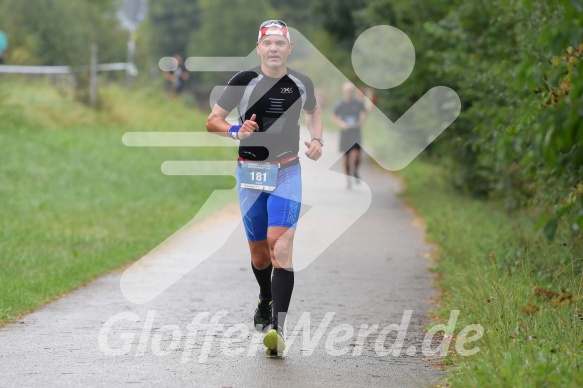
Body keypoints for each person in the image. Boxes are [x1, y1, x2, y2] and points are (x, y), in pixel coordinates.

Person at [205, 20, 323, 358]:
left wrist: (317, 139)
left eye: (279, 44)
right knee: (260, 255)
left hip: (287, 171)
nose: (273, 49)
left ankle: (277, 327)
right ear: (259, 48)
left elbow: (315, 111)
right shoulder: (243, 81)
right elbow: (212, 120)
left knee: (280, 249)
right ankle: (265, 297)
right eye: (267, 43)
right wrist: (235, 131)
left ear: (289, 49)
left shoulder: (301, 83)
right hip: (250, 175)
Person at [332, 83, 367, 189]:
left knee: (357, 156)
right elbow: (334, 117)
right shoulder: (340, 104)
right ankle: (348, 179)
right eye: (347, 91)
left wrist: (360, 122)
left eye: (351, 91)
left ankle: (355, 170)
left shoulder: (358, 103)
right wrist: (341, 124)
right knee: (346, 157)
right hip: (345, 133)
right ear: (344, 92)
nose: (349, 93)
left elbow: (364, 113)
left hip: (355, 132)